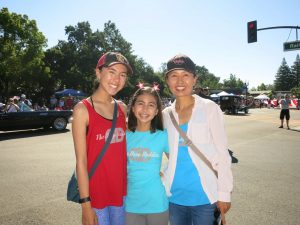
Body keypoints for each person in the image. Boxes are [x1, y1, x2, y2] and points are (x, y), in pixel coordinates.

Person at [162, 54, 233, 225]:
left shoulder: (209, 108)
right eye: (174, 76)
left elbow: (222, 154)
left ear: (195, 79)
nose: (180, 81)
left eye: (185, 75)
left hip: (205, 198)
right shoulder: (165, 115)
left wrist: (224, 193)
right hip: (174, 197)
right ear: (167, 81)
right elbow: (166, 152)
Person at [72, 52, 133, 225]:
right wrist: (85, 206)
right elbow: (81, 161)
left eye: (123, 75)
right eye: (112, 72)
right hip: (96, 196)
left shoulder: (121, 108)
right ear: (98, 73)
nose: (117, 79)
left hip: (121, 194)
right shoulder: (82, 110)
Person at [125, 86, 169, 225]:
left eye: (151, 105)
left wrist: (165, 173)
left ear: (156, 111)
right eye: (140, 103)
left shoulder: (163, 136)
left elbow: (177, 162)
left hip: (157, 204)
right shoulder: (124, 136)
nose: (145, 109)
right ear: (132, 108)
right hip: (130, 204)